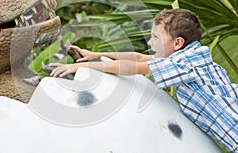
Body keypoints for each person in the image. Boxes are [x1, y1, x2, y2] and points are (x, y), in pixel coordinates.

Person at [50, 8, 238, 152]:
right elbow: (139, 58)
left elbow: (133, 68)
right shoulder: (190, 55)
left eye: (155, 37)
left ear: (178, 43)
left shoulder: (181, 64)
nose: (150, 43)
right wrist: (95, 54)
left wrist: (79, 67)